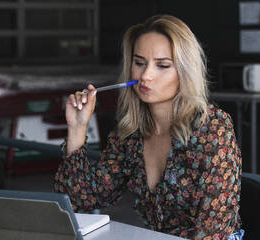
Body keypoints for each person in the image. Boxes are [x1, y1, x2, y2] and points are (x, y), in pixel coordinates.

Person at [53, 15, 243, 240]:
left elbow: (213, 231)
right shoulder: (131, 134)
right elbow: (80, 199)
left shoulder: (212, 128)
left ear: (184, 71)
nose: (145, 76)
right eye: (139, 63)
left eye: (162, 65)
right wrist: (77, 128)